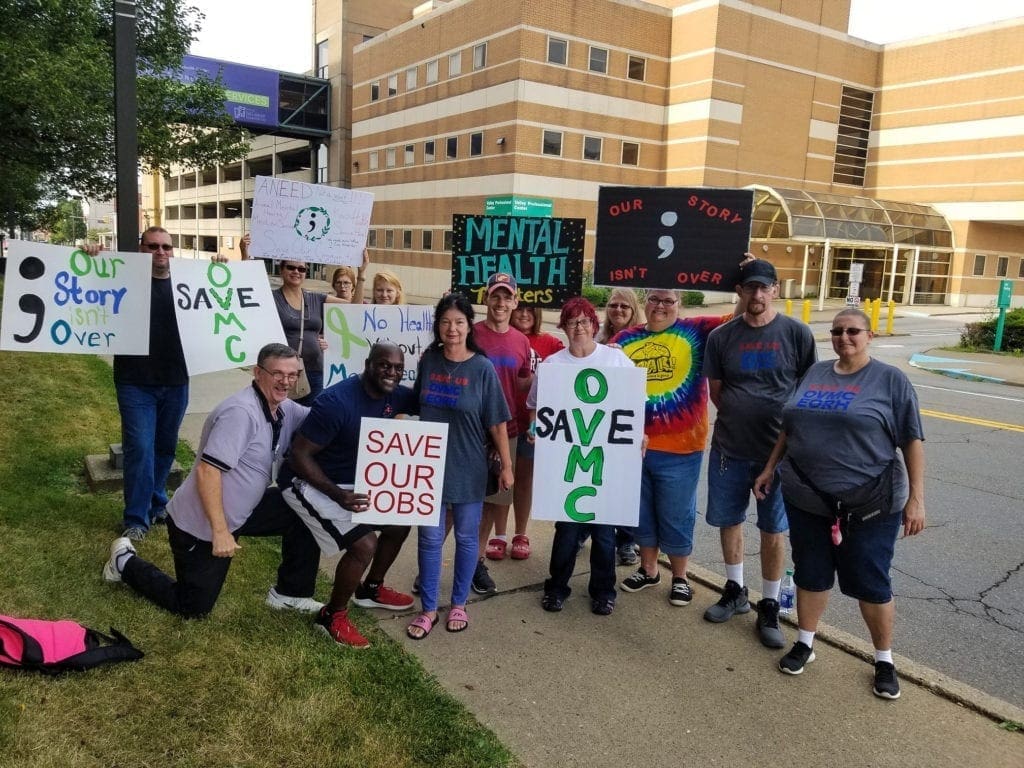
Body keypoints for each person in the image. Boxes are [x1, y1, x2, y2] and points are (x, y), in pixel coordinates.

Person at [754, 308, 925, 700]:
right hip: (807, 499)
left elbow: (912, 440)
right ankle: (806, 642)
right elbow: (789, 426)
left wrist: (917, 499)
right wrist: (769, 468)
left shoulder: (890, 380)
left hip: (870, 503)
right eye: (837, 331)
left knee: (870, 581)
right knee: (811, 574)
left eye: (853, 331)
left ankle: (883, 659)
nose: (844, 337)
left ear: (869, 335)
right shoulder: (815, 373)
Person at [102, 344, 322, 618]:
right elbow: (208, 471)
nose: (286, 381)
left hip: (245, 510)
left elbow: (324, 418)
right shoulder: (241, 413)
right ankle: (124, 562)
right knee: (192, 607)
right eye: (277, 373)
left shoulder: (283, 408)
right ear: (257, 372)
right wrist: (220, 532)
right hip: (202, 522)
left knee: (305, 509)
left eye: (293, 375)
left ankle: (291, 593)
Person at [701, 259, 816, 648]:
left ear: (775, 290)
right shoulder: (722, 338)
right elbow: (717, 391)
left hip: (779, 455)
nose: (757, 294)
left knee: (773, 529)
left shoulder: (797, 334)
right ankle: (735, 590)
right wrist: (741, 412)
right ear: (740, 292)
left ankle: (769, 603)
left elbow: (806, 392)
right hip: (730, 449)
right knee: (729, 521)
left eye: (764, 287)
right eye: (750, 287)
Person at [613, 285, 743, 606]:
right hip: (632, 445)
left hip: (682, 447)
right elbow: (594, 371)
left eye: (668, 300)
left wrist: (742, 282)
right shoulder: (623, 340)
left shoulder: (697, 331)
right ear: (645, 302)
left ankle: (680, 576)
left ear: (679, 304)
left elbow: (739, 319)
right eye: (654, 299)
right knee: (641, 513)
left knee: (676, 513)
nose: (660, 306)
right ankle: (648, 569)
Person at [282, 343, 418, 649]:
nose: (392, 373)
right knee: (364, 544)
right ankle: (332, 615)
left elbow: (429, 402)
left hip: (352, 480)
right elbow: (298, 457)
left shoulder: (395, 393)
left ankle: (370, 589)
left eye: (398, 368)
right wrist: (338, 495)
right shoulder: (337, 401)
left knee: (399, 523)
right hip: (310, 480)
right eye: (385, 366)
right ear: (368, 364)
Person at [406, 294, 512, 639]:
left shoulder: (482, 368)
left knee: (467, 539)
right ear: (438, 326)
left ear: (469, 326)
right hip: (428, 466)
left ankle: (459, 604)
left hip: (469, 465)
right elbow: (415, 406)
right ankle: (428, 609)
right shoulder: (429, 361)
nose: (452, 329)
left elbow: (497, 423)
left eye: (459, 322)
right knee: (429, 538)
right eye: (446, 322)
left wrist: (507, 466)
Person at [527, 298, 636, 615]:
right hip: (568, 466)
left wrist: (638, 435)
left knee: (604, 534)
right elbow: (535, 407)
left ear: (595, 325)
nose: (579, 327)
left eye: (584, 321)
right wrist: (536, 428)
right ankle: (556, 587)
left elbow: (633, 405)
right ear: (562, 327)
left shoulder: (615, 361)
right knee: (567, 531)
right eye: (571, 322)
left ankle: (604, 591)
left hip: (605, 465)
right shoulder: (552, 366)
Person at [108, 227, 212, 541]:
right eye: (153, 246)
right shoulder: (123, 280)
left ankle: (156, 503)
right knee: (140, 448)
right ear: (141, 249)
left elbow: (228, 298)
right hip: (135, 381)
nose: (160, 252)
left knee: (165, 447)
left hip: (176, 380)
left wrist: (230, 265)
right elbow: (89, 283)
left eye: (166, 246)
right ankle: (136, 519)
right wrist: (89, 260)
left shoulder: (189, 284)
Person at [471, 273, 532, 594]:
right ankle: (434, 560)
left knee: (492, 502)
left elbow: (523, 384)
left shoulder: (522, 341)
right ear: (486, 299)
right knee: (455, 504)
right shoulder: (471, 334)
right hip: (469, 432)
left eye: (507, 297)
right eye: (496, 295)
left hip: (507, 432)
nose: (501, 302)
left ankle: (474, 562)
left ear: (516, 301)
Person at [239, 233, 349, 404]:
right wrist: (244, 256)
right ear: (281, 270)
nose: (296, 272)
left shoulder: (316, 298)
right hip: (282, 373)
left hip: (315, 372)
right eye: (291, 267)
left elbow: (354, 306)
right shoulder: (271, 298)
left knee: (311, 420)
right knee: (281, 417)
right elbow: (245, 290)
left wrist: (362, 273)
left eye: (302, 269)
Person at [497, 305, 563, 561]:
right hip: (504, 421)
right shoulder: (505, 338)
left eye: (530, 310)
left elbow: (579, 356)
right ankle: (499, 535)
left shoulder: (550, 342)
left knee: (524, 480)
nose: (524, 315)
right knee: (502, 480)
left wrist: (606, 349)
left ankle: (520, 534)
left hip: (534, 424)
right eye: (520, 309)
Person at [596, 287, 646, 565]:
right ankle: (583, 533)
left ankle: (626, 541)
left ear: (633, 310)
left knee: (625, 487)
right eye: (613, 305)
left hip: (627, 424)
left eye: (624, 307)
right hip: (599, 423)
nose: (617, 310)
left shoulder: (640, 339)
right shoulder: (599, 338)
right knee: (601, 481)